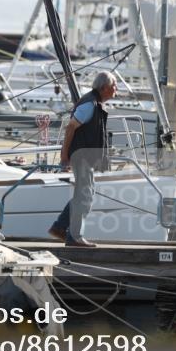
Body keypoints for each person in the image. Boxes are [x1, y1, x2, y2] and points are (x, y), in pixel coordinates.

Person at [48, 71, 117, 247]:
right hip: (81, 157)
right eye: (114, 85)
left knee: (85, 194)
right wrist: (64, 156)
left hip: (85, 157)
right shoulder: (89, 105)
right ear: (104, 88)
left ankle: (60, 227)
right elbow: (70, 128)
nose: (116, 89)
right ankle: (75, 237)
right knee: (85, 196)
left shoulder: (95, 102)